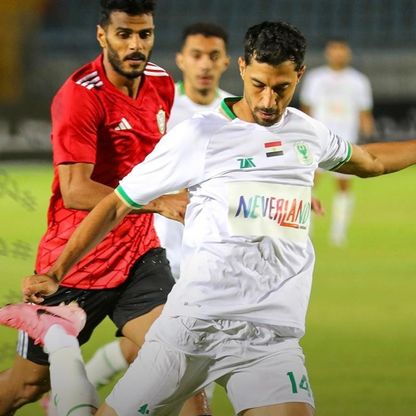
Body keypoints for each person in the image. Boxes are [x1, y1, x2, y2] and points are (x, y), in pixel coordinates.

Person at [3, 20, 414, 416]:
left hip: (269, 338)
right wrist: (57, 272)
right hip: (191, 329)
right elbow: (116, 203)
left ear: (300, 74)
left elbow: (372, 160)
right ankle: (59, 343)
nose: (269, 101)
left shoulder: (309, 134)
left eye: (282, 88)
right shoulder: (200, 135)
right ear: (241, 67)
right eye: (258, 86)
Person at [0, 1, 207, 415]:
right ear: (102, 36)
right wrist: (158, 202)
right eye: (124, 34)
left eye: (144, 34)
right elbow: (76, 191)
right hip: (78, 261)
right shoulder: (80, 96)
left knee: (180, 364)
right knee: (25, 386)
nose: (135, 45)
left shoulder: (161, 83)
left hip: (138, 256)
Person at [85, 22, 232, 394]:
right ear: (181, 59)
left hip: (210, 254)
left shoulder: (238, 113)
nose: (204, 65)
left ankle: (81, 387)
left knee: (178, 353)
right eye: (196, 55)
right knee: (173, 353)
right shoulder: (161, 103)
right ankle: (82, 389)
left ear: (227, 62)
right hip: (159, 249)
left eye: (213, 56)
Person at [299, 38, 375, 245]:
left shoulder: (358, 81)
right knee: (308, 183)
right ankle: (306, 229)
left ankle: (338, 232)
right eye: (334, 49)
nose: (338, 53)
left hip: (345, 140)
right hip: (317, 139)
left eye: (342, 49)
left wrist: (368, 135)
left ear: (347, 52)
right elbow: (307, 109)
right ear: (328, 52)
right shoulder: (316, 78)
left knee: (343, 185)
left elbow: (364, 113)